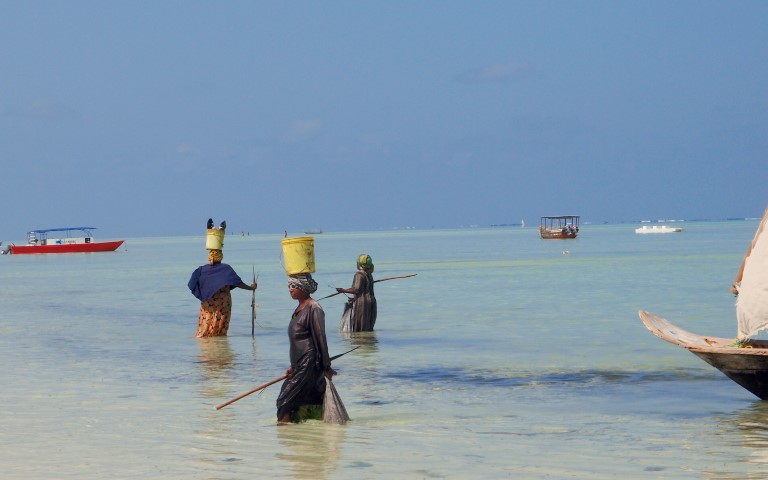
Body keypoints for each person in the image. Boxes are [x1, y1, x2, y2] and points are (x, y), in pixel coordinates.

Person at [276, 273, 334, 423]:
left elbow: (321, 338)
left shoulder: (314, 308)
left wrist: (326, 366)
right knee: (309, 401)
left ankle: (282, 435)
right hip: (299, 365)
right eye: (289, 286)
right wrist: (293, 367)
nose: (290, 289)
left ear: (303, 288)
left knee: (284, 401)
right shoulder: (298, 309)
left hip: (309, 363)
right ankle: (308, 441)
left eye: (294, 286)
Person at [188, 249, 257, 337]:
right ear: (220, 257)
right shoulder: (226, 269)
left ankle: (205, 346)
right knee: (220, 326)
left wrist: (203, 295)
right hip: (223, 303)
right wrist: (251, 288)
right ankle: (219, 345)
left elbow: (192, 284)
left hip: (207, 303)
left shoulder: (201, 270)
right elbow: (238, 283)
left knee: (205, 324)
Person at [336, 254, 377, 332]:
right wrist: (354, 298)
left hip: (363, 304)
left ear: (359, 264)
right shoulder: (369, 274)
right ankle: (369, 342)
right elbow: (364, 290)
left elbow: (356, 289)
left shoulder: (359, 274)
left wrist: (343, 290)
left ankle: (360, 342)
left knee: (360, 327)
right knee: (368, 327)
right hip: (371, 302)